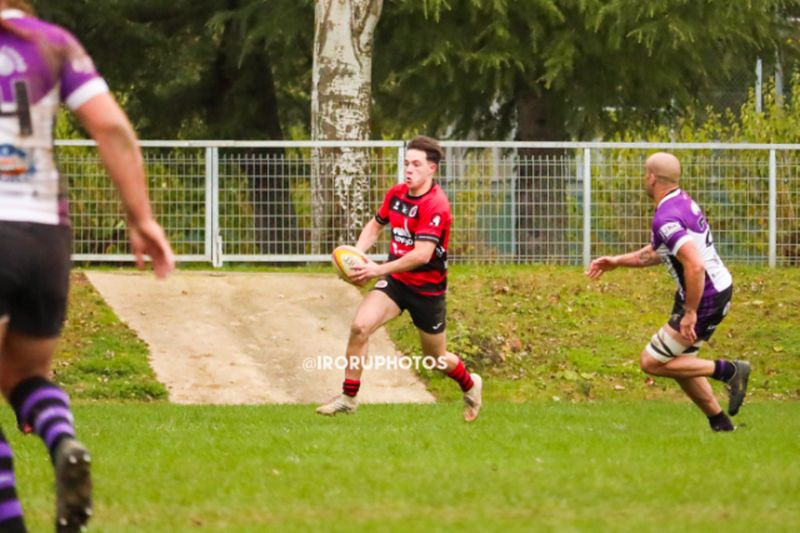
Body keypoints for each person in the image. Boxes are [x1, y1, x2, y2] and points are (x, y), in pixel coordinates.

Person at [0, 2, 175, 531]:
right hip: (44, 237)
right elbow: (113, 129)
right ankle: (62, 440)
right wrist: (141, 218)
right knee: (25, 374)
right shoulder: (54, 42)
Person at [316, 136, 483, 421]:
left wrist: (376, 269)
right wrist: (357, 256)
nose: (408, 169)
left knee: (435, 359)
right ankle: (348, 398)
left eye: (416, 164)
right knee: (360, 327)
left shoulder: (436, 205)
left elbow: (421, 255)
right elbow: (376, 225)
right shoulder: (396, 194)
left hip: (427, 291)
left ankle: (470, 383)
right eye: (406, 163)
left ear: (432, 169)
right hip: (396, 282)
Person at [586, 152, 749, 432]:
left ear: (651, 178)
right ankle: (720, 423)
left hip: (705, 295)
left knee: (651, 361)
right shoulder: (681, 202)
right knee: (679, 362)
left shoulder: (665, 216)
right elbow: (655, 253)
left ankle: (729, 370)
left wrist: (691, 313)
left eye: (644, 175)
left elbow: (695, 266)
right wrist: (617, 262)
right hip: (710, 290)